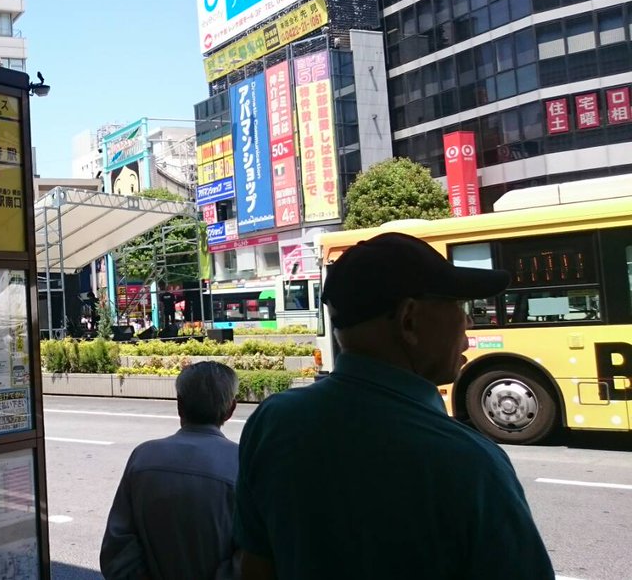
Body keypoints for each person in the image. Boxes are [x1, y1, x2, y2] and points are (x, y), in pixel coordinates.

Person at [233, 232, 554, 580]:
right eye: (459, 306)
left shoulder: (273, 422)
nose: (469, 322)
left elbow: (256, 567)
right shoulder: (471, 463)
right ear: (409, 320)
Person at [100, 361, 240, 580]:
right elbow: (252, 555)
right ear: (231, 409)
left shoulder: (143, 457)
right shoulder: (242, 463)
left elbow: (116, 550)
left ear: (179, 405)